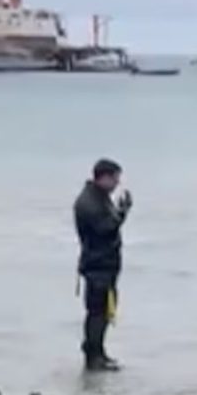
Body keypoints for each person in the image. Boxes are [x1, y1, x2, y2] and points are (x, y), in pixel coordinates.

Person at [73, 159, 132, 371]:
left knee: (106, 310)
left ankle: (98, 352)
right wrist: (123, 212)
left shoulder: (99, 197)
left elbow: (109, 224)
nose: (117, 182)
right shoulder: (89, 202)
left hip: (105, 264)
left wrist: (118, 211)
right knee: (97, 312)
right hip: (97, 265)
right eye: (115, 178)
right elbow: (105, 228)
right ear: (104, 177)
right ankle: (93, 356)